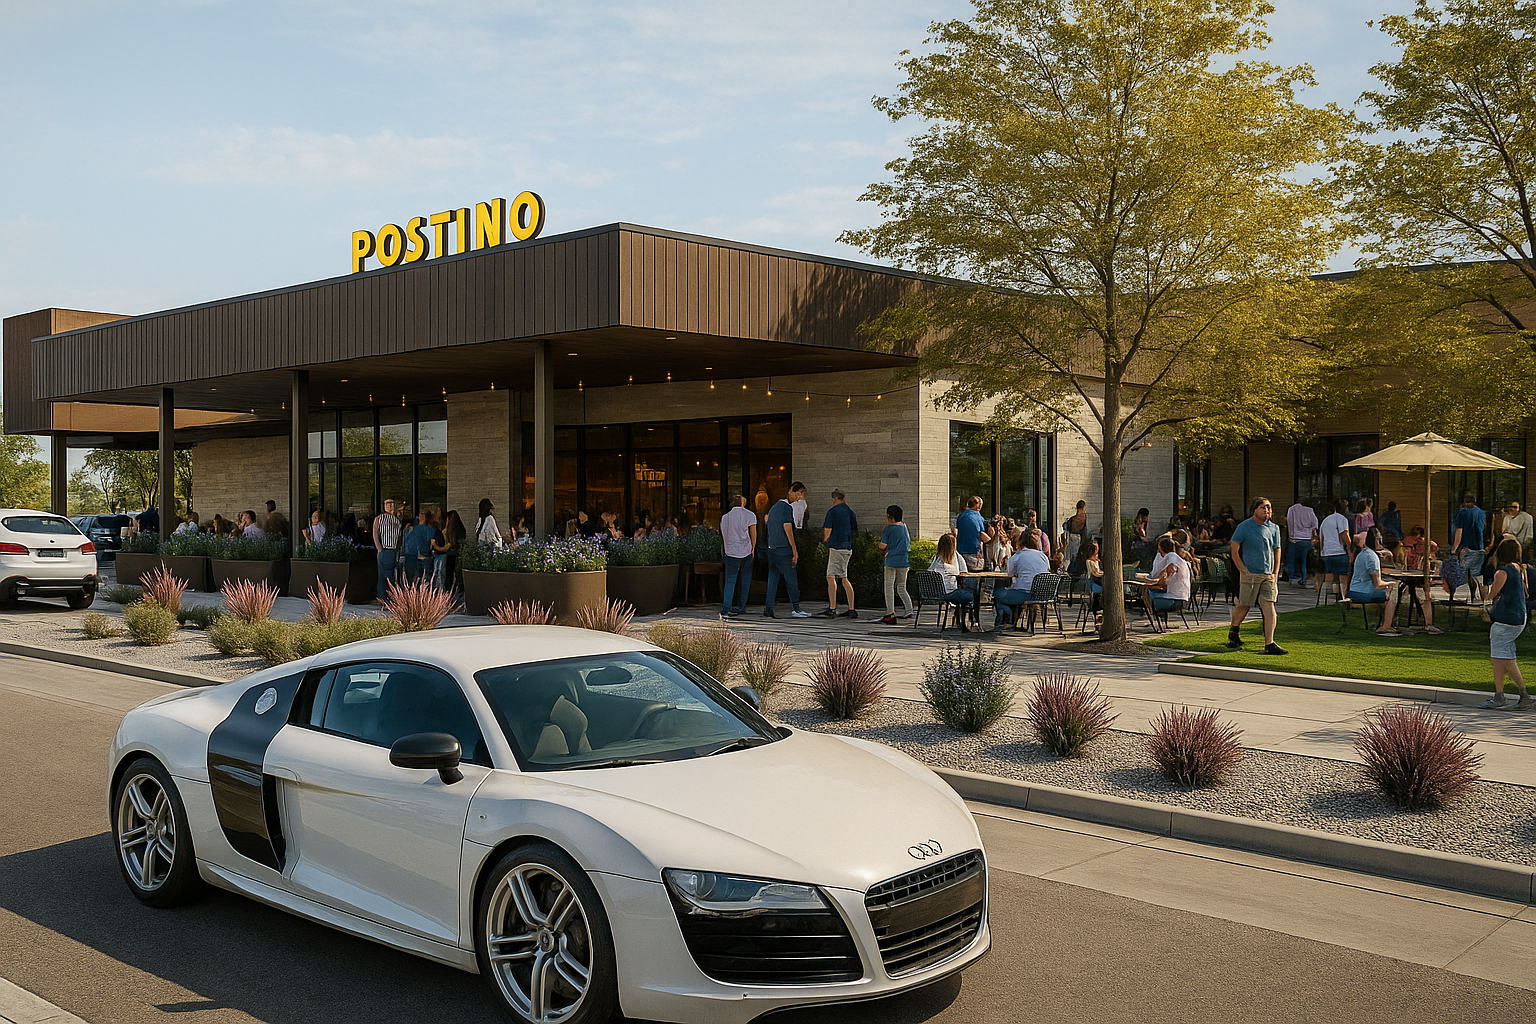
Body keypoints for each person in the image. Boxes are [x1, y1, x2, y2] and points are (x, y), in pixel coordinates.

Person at [1227, 496, 1285, 655]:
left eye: (1269, 507)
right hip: (1250, 574)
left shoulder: (1274, 528)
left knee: (1269, 606)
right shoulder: (1244, 527)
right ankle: (1234, 631)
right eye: (1263, 507)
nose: (1267, 510)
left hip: (1268, 575)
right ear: (1254, 510)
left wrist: (1275, 572)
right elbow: (1234, 548)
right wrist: (1243, 570)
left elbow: (1277, 550)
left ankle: (1269, 643)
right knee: (1244, 604)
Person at [1481, 538, 1530, 710]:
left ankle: (1517, 695)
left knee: (1501, 658)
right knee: (1503, 656)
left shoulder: (1502, 572)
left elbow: (1493, 593)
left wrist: (1484, 595)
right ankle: (1501, 694)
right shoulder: (1521, 569)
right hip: (1519, 617)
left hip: (1505, 618)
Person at [764, 482, 811, 618]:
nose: (798, 498)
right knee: (791, 579)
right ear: (790, 491)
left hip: (772, 548)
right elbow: (788, 529)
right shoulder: (786, 508)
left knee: (772, 579)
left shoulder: (773, 508)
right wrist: (794, 550)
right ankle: (796, 608)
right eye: (797, 494)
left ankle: (769, 608)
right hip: (783, 549)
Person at [1348, 527, 1404, 637]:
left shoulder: (1363, 553)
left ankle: (1384, 621)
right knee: (1393, 591)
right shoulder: (1372, 557)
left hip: (1355, 588)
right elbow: (1378, 585)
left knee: (1389, 590)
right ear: (1378, 541)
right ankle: (1386, 626)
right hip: (1363, 592)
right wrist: (1393, 583)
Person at [993, 528, 1050, 629]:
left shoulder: (1018, 555)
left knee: (998, 593)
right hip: (1043, 594)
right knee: (1014, 590)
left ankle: (1007, 618)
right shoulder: (1043, 556)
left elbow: (1010, 573)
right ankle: (1014, 619)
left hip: (1026, 593)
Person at [821, 489, 858, 619]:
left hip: (836, 546)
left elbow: (828, 530)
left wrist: (826, 541)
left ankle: (832, 607)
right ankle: (851, 608)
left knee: (830, 577)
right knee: (844, 577)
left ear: (834, 499)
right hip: (847, 547)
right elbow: (854, 530)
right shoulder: (850, 512)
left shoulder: (832, 512)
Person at [931, 533, 978, 632]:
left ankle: (959, 619)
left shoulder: (936, 559)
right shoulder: (954, 557)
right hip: (949, 592)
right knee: (971, 594)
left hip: (937, 591)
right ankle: (965, 622)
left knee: (966, 592)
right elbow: (963, 572)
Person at [720, 494, 757, 618]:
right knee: (745, 579)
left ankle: (726, 608)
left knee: (730, 580)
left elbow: (724, 533)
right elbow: (753, 533)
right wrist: (753, 548)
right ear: (743, 503)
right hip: (746, 550)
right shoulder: (750, 515)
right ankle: (742, 607)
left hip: (730, 551)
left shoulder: (725, 517)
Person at [878, 504, 914, 625]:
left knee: (889, 586)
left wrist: (887, 548)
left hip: (891, 560)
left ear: (889, 516)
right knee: (902, 587)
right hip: (904, 560)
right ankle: (909, 609)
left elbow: (882, 545)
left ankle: (890, 612)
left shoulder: (889, 529)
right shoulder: (904, 527)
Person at [1142, 535, 1192, 619]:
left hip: (1175, 600)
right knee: (1149, 592)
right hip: (1182, 598)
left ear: (1160, 547)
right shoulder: (1177, 558)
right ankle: (1158, 619)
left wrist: (1149, 583)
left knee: (1146, 595)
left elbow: (1165, 578)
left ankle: (1155, 619)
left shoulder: (1171, 557)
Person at [1451, 492, 1487, 602]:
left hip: (1467, 548)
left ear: (1464, 502)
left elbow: (1459, 531)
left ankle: (1452, 598)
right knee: (1477, 577)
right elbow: (1485, 527)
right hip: (1479, 548)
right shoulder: (1481, 512)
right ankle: (1482, 600)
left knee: (1459, 574)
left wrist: (1454, 548)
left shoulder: (1463, 512)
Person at [1318, 498, 1353, 601]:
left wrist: (1322, 553)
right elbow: (1344, 534)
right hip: (1339, 552)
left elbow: (1321, 539)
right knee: (1344, 576)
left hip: (1326, 553)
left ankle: (1329, 596)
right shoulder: (1342, 519)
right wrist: (1350, 549)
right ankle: (1344, 596)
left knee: (1332, 576)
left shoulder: (1325, 521)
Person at [373, 497, 403, 600]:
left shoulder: (397, 520)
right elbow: (375, 533)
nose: (389, 505)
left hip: (393, 550)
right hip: (385, 550)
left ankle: (385, 598)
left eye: (391, 503)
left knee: (387, 575)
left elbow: (399, 536)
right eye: (387, 503)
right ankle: (387, 598)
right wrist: (379, 548)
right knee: (386, 575)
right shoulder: (380, 518)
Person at [1284, 499, 1318, 587]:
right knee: (1304, 561)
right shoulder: (1310, 511)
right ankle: (1304, 579)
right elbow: (1315, 525)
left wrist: (1290, 536)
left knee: (1291, 560)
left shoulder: (1292, 509)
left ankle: (1292, 579)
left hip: (1295, 539)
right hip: (1306, 539)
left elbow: (1289, 522)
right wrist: (1314, 537)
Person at [401, 508, 441, 584]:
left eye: (425, 514)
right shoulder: (410, 529)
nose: (422, 515)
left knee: (424, 582)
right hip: (410, 557)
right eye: (421, 513)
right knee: (410, 582)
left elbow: (433, 544)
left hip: (425, 558)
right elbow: (404, 542)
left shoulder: (432, 530)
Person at [955, 496, 993, 571]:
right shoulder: (977, 517)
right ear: (978, 505)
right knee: (974, 576)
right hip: (974, 551)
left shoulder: (960, 516)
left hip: (961, 550)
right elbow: (982, 534)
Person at [432, 510, 465, 591]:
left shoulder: (449, 532)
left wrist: (445, 536)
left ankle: (449, 593)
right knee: (458, 577)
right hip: (458, 555)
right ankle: (458, 593)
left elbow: (448, 545)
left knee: (448, 577)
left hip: (450, 556)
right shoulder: (461, 529)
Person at [1062, 500, 1089, 575]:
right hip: (1077, 536)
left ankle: (1069, 570)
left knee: (1069, 555)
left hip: (1071, 535)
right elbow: (1085, 529)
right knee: (1074, 555)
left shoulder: (1074, 518)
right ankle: (1072, 571)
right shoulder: (1083, 516)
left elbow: (1068, 526)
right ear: (1083, 507)